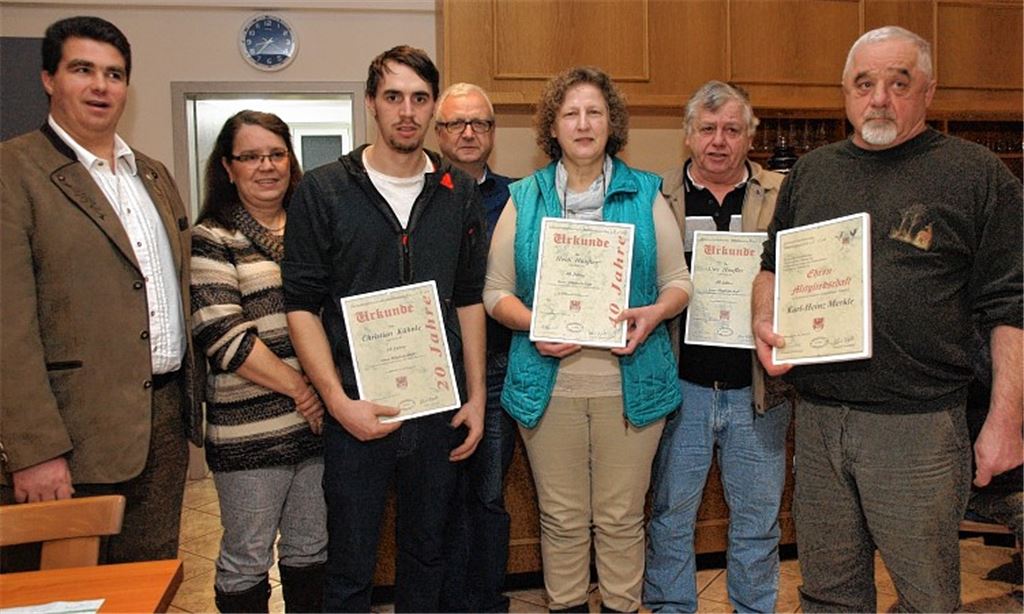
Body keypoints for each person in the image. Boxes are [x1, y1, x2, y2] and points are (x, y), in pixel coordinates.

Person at [751, 26, 1023, 612]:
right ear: (845, 91)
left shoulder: (977, 176)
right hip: (820, 421)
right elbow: (772, 266)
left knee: (926, 597)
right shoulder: (814, 172)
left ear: (929, 91)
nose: (879, 98)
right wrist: (762, 319)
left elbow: (1012, 307)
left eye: (899, 83)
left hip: (919, 429)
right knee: (827, 593)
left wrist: (1007, 421)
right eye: (864, 83)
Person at [281, 45, 487, 612]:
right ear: (372, 102)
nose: (407, 111)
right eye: (393, 96)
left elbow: (469, 300)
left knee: (428, 555)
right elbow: (300, 304)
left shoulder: (459, 192)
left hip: (436, 409)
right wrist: (337, 401)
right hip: (356, 411)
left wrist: (475, 395)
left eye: (420, 99)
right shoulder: (323, 191)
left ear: (432, 109)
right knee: (350, 563)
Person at [484, 66, 692, 613]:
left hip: (632, 382)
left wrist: (653, 314)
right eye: (570, 113)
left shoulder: (646, 192)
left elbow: (678, 283)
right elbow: (495, 292)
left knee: (622, 517)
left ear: (611, 124)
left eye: (594, 112)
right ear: (552, 126)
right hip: (548, 385)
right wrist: (536, 323)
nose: (582, 123)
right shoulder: (523, 197)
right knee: (561, 517)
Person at [0, 15, 203, 567]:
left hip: (162, 422)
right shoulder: (13, 172)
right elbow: (7, 329)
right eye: (82, 70)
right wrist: (35, 449)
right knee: (65, 593)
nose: (100, 87)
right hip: (72, 433)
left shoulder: (153, 176)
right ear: (48, 78)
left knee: (148, 576)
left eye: (114, 74)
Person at [644, 81, 794, 613]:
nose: (719, 141)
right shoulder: (656, 199)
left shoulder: (785, 194)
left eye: (732, 129)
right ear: (688, 135)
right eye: (707, 129)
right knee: (669, 516)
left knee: (758, 521)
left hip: (758, 392)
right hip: (680, 388)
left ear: (750, 136)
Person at [190, 110, 326, 613]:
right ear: (227, 167)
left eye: (276, 154)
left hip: (317, 428)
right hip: (251, 431)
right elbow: (221, 335)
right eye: (250, 156)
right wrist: (303, 388)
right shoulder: (213, 237)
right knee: (247, 558)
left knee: (310, 551)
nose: (265, 166)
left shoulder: (313, 227)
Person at [434, 83, 517, 613]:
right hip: (433, 369)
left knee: (487, 495)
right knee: (436, 499)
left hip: (499, 367)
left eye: (480, 123)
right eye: (456, 124)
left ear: (492, 132)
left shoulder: (520, 197)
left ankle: (487, 602)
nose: (468, 133)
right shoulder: (419, 191)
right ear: (438, 133)